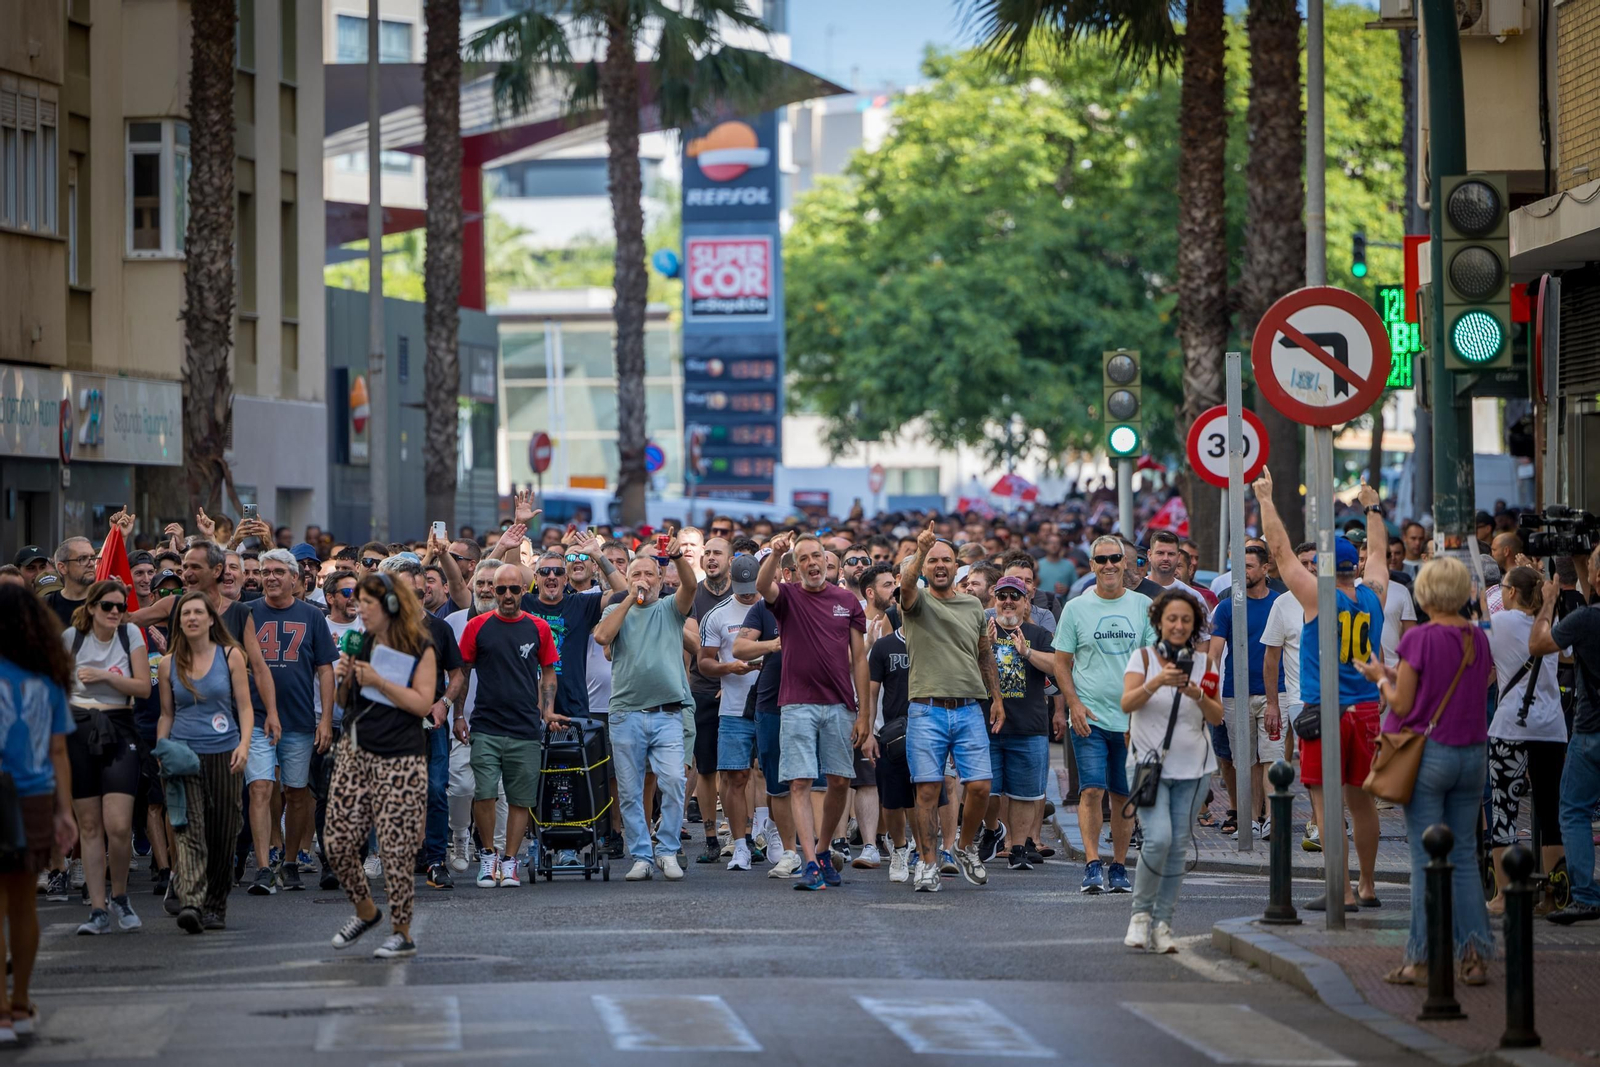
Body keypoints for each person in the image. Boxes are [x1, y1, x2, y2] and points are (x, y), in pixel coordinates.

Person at [1255, 468, 1386, 912]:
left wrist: (1266, 499)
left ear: (1326, 568)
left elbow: (1279, 550)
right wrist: (1372, 508)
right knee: (1363, 801)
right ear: (1358, 566)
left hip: (1324, 711)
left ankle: (1342, 891)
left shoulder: (1315, 596)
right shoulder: (1374, 596)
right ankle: (1367, 886)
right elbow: (1382, 556)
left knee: (1326, 806)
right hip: (1367, 710)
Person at [1358, 557, 1493, 985]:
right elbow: (1466, 681)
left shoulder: (1419, 639)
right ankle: (1473, 955)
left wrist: (1382, 677)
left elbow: (1401, 705)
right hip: (1473, 755)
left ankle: (1419, 959)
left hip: (1428, 755)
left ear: (1426, 593)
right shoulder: (1477, 637)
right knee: (1465, 859)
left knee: (1424, 861)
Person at [323, 574, 438, 959]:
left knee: (396, 851)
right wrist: (343, 679)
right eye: (357, 602)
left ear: (390, 605)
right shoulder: (360, 641)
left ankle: (401, 932)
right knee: (337, 843)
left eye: (368, 603)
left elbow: (423, 704)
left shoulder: (420, 645)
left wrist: (378, 680)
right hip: (355, 753)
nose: (360, 609)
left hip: (400, 759)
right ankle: (366, 911)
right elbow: (345, 702)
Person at [756, 532, 872, 891]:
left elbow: (859, 660)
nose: (811, 563)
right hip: (796, 704)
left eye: (816, 556)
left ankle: (823, 851)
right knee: (800, 782)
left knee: (839, 781)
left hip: (839, 704)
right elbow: (764, 585)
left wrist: (865, 714)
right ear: (795, 567)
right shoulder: (787, 597)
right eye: (803, 558)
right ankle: (809, 861)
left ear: (826, 560)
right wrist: (775, 554)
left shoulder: (846, 601)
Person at [899, 522, 1001, 893]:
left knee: (981, 787)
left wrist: (998, 699)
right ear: (924, 567)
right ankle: (927, 863)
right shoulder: (916, 599)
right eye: (932, 560)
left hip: (969, 708)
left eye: (946, 560)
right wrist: (919, 547)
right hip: (926, 709)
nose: (939, 565)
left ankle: (963, 845)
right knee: (927, 790)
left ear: (956, 566)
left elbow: (984, 653)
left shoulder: (973, 604)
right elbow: (907, 585)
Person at [1121, 588, 1223, 953]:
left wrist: (1198, 694)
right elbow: (1127, 703)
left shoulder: (1205, 665)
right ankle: (1139, 917)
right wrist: (1155, 683)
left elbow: (1217, 716)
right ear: (1160, 623)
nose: (1179, 626)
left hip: (1194, 768)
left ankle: (1164, 924)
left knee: (1178, 846)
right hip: (1150, 766)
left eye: (1186, 620)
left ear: (1195, 625)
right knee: (1159, 839)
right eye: (1172, 619)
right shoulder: (1144, 659)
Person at [592, 536, 697, 882]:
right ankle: (641, 855)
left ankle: (666, 850)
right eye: (636, 573)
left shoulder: (669, 608)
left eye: (649, 574)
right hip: (626, 714)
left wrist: (678, 558)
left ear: (659, 578)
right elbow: (602, 638)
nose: (643, 580)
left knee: (673, 782)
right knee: (630, 789)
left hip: (667, 713)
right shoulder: (614, 610)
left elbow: (691, 586)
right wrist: (627, 600)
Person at [1054, 535, 1153, 894]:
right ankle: (1092, 863)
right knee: (1092, 790)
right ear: (1092, 565)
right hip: (1089, 717)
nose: (1109, 565)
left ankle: (1118, 867)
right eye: (1101, 560)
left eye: (1115, 558)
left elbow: (1152, 660)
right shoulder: (1076, 608)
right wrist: (1073, 704)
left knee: (1123, 797)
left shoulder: (1143, 605)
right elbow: (1062, 664)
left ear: (1125, 563)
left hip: (1131, 719)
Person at [0, 585, 78, 1040]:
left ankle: (1, 1014)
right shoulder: (47, 680)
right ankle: (21, 1004)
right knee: (24, 904)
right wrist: (63, 812)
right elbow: (57, 752)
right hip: (33, 795)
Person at [456, 564, 562, 889]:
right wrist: (458, 714)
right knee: (484, 793)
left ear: (523, 592)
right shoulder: (477, 626)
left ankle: (510, 861)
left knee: (521, 799)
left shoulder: (538, 627)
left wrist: (547, 711)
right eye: (500, 590)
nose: (506, 596)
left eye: (513, 590)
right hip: (486, 725)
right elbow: (462, 673)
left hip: (524, 728)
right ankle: (488, 855)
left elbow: (548, 672)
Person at [157, 591, 253, 933]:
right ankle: (192, 903)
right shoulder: (168, 662)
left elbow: (244, 707)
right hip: (184, 755)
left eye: (199, 612)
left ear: (211, 619)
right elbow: (167, 714)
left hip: (225, 753)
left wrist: (244, 745)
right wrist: (162, 750)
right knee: (189, 830)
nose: (192, 618)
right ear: (179, 621)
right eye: (186, 614)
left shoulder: (231, 655)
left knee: (224, 831)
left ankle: (216, 905)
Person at [244, 549, 337, 896]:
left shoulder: (313, 617)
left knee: (297, 793)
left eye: (278, 571)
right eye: (265, 571)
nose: (270, 577)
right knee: (261, 788)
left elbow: (325, 670)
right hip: (255, 718)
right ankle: (265, 863)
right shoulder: (247, 613)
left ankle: (293, 859)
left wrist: (325, 719)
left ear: (295, 579)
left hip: (299, 720)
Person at [62, 579, 151, 934]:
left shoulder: (131, 636)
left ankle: (121, 895)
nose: (115, 612)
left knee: (118, 825)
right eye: (108, 606)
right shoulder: (72, 639)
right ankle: (97, 908)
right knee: (89, 825)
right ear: (92, 607)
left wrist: (103, 676)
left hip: (119, 725)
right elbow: (58, 685)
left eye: (120, 606)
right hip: (79, 727)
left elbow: (143, 687)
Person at [1484, 565, 1566, 915]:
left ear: (1512, 593)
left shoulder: (1499, 624)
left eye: (1503, 587)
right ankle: (1553, 895)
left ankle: (1505, 895)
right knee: (1551, 812)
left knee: (1504, 809)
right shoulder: (1550, 625)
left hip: (1510, 728)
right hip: (1551, 727)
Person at [1528, 548, 1600, 925]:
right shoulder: (1588, 615)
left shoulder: (1587, 620)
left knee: (1572, 811)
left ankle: (1586, 896)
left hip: (1591, 732)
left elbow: (1538, 644)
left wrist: (1549, 602)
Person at [1205, 545, 1284, 839]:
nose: (1244, 572)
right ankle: (1250, 820)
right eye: (1240, 567)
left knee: (1272, 758)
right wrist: (1211, 691)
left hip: (1275, 693)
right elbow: (1213, 654)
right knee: (1245, 760)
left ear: (1265, 569)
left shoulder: (1280, 603)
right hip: (1233, 694)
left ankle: (1273, 820)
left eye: (1249, 566)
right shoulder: (1226, 607)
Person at [982, 577, 1056, 870]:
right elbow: (966, 669)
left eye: (1015, 596)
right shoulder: (982, 631)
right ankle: (993, 830)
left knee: (1026, 794)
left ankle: (1018, 849)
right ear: (995, 600)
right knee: (983, 789)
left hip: (1028, 727)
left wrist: (1027, 652)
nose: (1008, 601)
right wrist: (984, 647)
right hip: (987, 726)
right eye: (1003, 596)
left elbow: (1057, 668)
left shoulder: (1039, 635)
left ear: (1027, 603)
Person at [700, 555, 764, 871]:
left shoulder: (774, 606)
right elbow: (704, 662)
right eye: (743, 588)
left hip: (773, 703)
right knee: (734, 775)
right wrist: (730, 667)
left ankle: (777, 837)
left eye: (753, 587)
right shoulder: (717, 615)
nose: (749, 594)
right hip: (734, 708)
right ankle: (740, 844)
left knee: (776, 776)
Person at [1261, 541, 1317, 846]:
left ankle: (1324, 819)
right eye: (1303, 563)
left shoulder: (1339, 599)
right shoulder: (1283, 603)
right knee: (1311, 766)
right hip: (1299, 698)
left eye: (1315, 563)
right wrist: (1273, 703)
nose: (1309, 569)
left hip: (1342, 697)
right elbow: (1271, 658)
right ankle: (1319, 822)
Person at [42, 536, 98, 627]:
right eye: (82, 559)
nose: (91, 564)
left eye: (93, 557)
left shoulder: (105, 602)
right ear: (62, 568)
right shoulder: (46, 606)